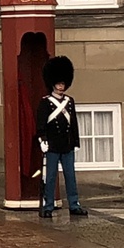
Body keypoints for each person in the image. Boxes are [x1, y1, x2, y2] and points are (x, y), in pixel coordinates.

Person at [36, 56, 88, 219]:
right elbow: (41, 124)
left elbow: (73, 124)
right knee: (50, 177)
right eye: (58, 83)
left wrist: (76, 142)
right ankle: (48, 206)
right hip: (52, 145)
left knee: (70, 176)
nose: (61, 86)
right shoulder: (45, 103)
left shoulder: (69, 102)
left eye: (63, 83)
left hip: (67, 145)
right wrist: (42, 140)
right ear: (53, 83)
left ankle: (74, 204)